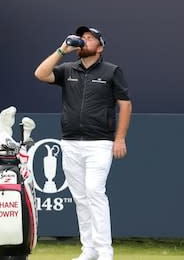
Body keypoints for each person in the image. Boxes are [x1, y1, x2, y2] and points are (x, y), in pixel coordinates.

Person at [34, 26, 132, 260]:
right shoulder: (68, 69)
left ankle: (105, 251)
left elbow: (125, 104)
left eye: (89, 39)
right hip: (70, 143)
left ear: (100, 47)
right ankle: (89, 249)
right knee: (80, 197)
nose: (83, 41)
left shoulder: (111, 71)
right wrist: (62, 49)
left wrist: (119, 138)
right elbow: (40, 74)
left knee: (95, 193)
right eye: (81, 38)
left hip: (99, 143)